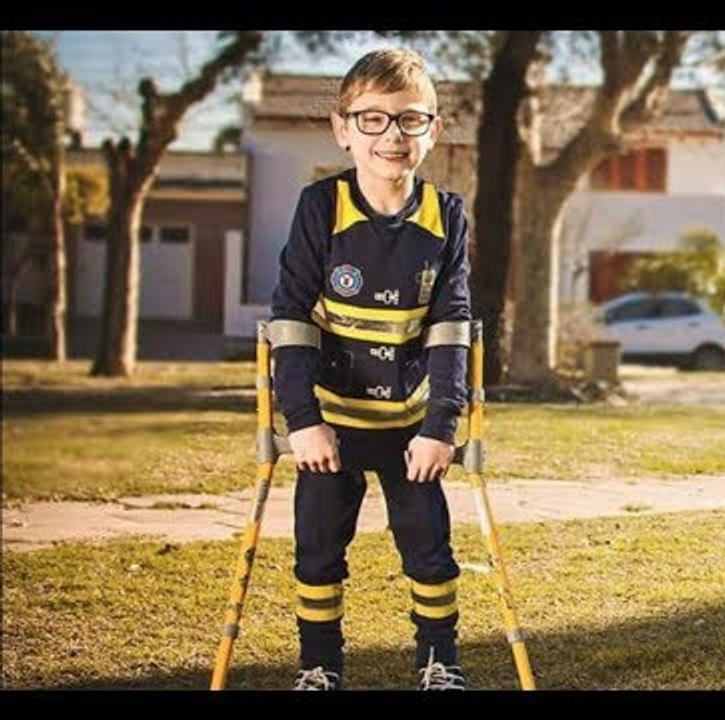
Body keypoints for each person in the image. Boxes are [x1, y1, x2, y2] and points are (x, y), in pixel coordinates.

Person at [270, 48, 471, 691]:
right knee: (318, 552)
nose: (392, 136)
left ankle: (440, 660)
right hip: (330, 426)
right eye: (374, 119)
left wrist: (441, 425)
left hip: (410, 427)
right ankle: (320, 666)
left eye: (411, 121)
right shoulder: (320, 207)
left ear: (433, 131)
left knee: (429, 550)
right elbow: (292, 316)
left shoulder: (448, 216)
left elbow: (450, 327)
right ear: (343, 129)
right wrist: (302, 421)